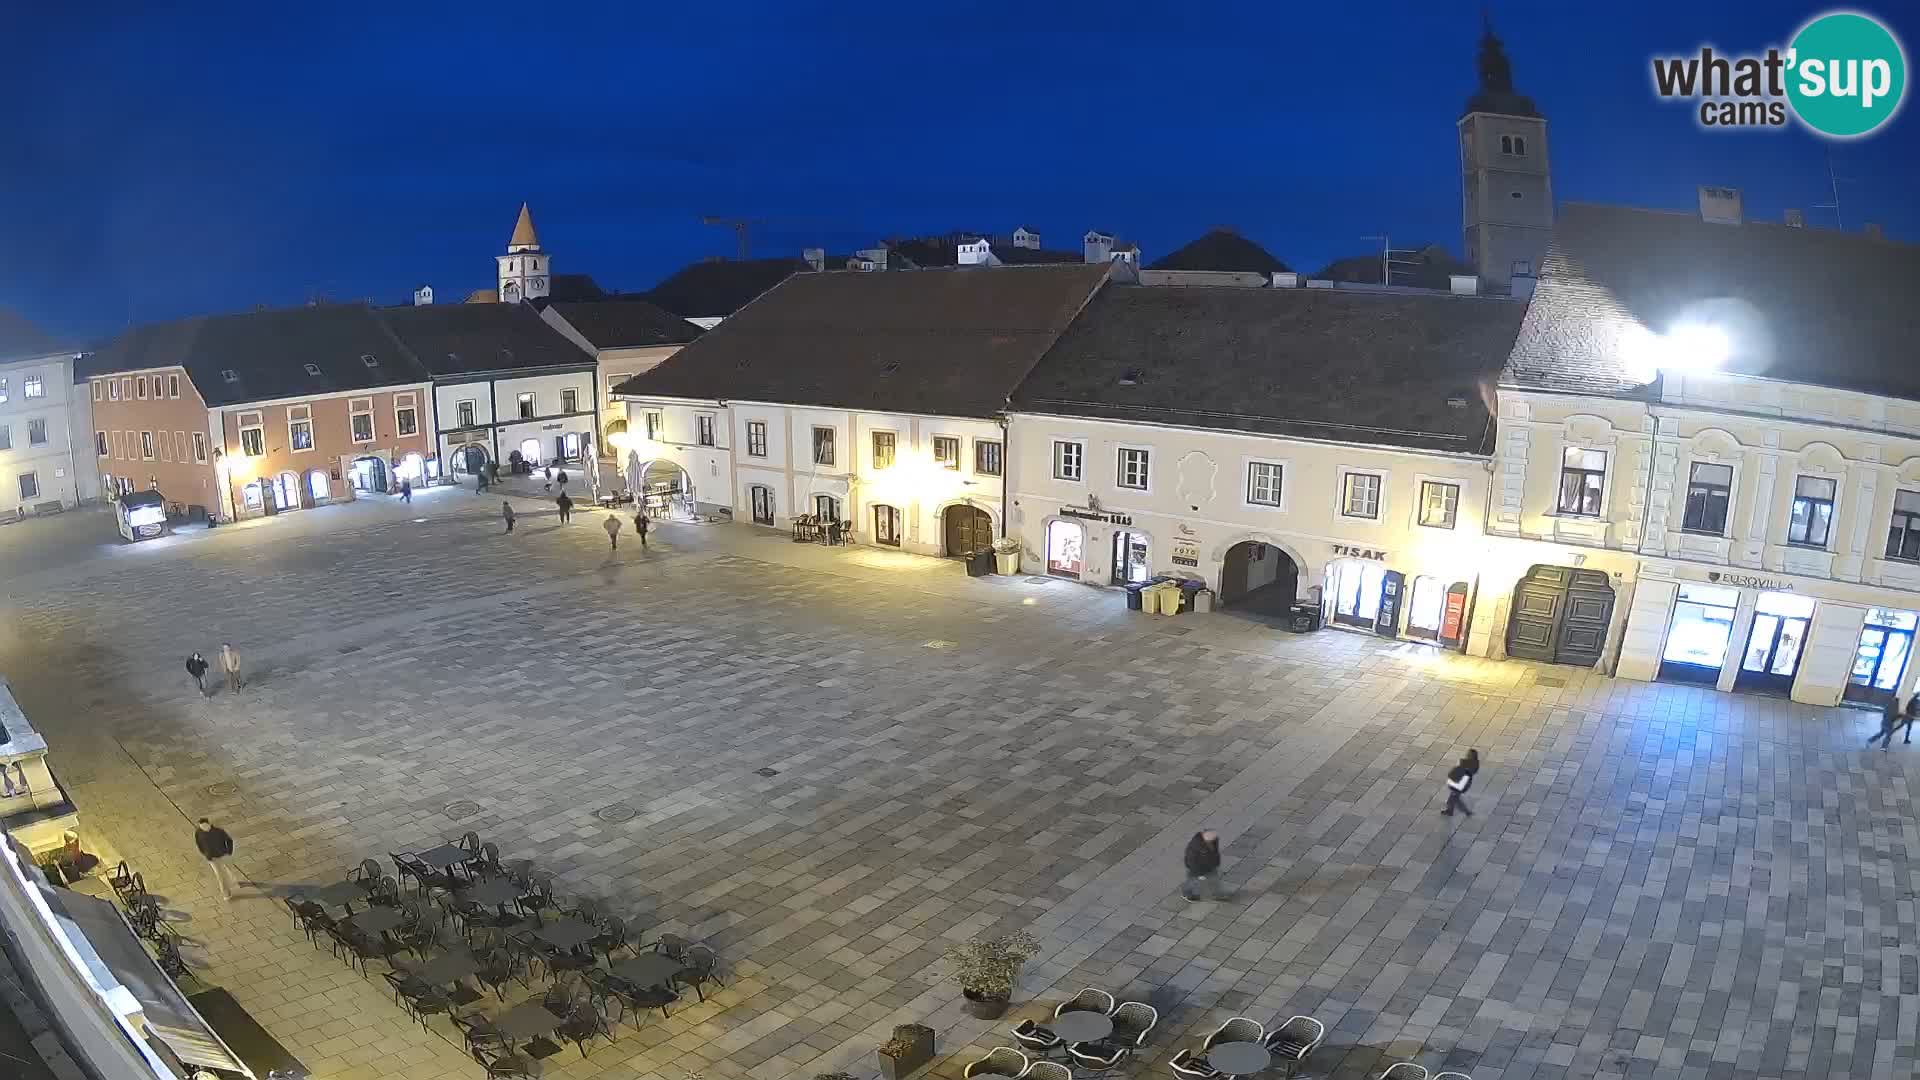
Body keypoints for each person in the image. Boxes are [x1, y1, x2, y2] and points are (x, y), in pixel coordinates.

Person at [195, 818, 238, 901]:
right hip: (211, 858)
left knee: (228, 868)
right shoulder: (198, 832)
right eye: (201, 827)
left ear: (209, 824)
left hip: (222, 855)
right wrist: (205, 854)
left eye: (204, 826)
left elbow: (229, 840)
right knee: (219, 876)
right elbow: (198, 844)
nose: (203, 828)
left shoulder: (219, 831)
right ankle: (226, 893)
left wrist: (229, 851)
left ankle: (234, 880)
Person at [1181, 829, 1222, 902]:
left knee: (1214, 879)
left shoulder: (1213, 840)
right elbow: (1192, 862)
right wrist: (1199, 874)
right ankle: (1187, 894)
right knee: (1193, 881)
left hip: (1209, 866)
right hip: (1197, 869)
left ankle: (1216, 893)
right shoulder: (1195, 847)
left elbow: (1215, 852)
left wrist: (1216, 862)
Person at [1443, 748, 1481, 816]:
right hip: (1460, 782)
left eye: (1469, 754)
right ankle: (1451, 811)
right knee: (1454, 798)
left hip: (1462, 783)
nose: (1467, 755)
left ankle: (1466, 812)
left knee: (1454, 799)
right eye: (1467, 754)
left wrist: (1462, 765)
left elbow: (1466, 770)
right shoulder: (1471, 762)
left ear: (1472, 756)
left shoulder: (1472, 764)